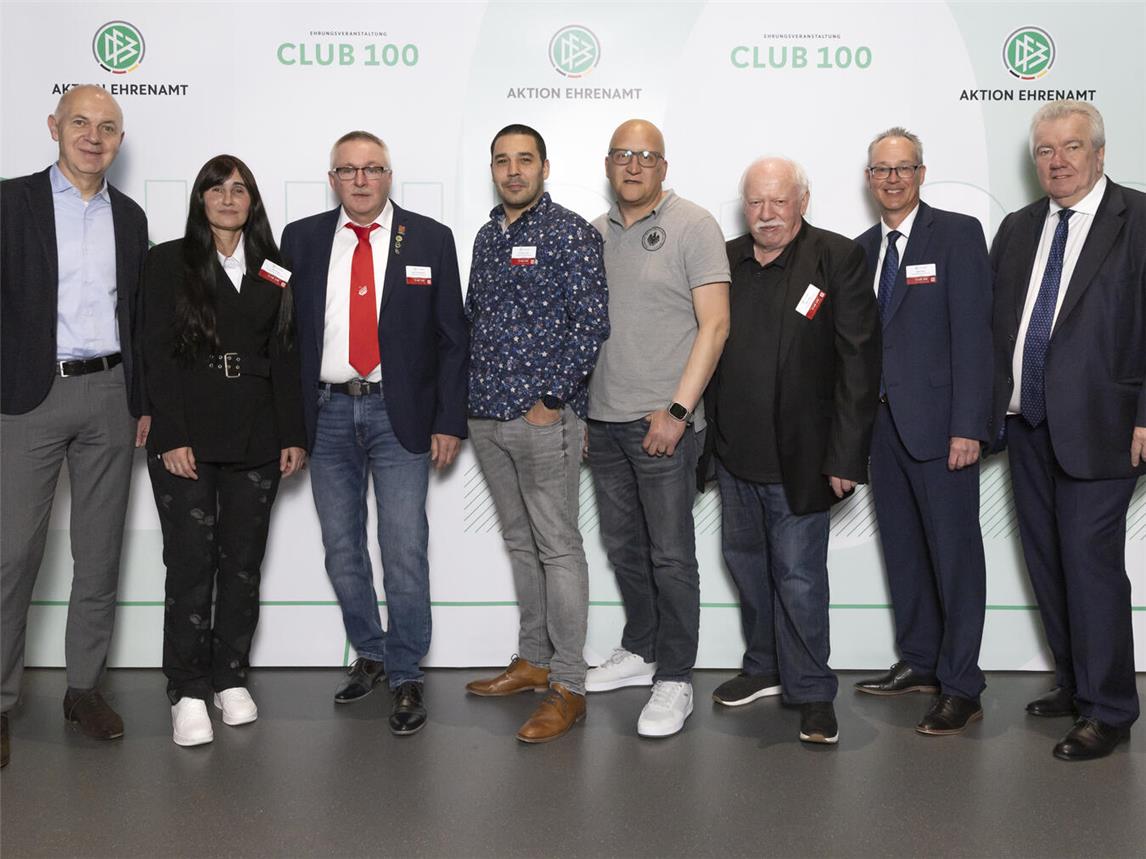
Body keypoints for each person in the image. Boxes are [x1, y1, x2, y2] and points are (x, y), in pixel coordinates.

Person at [280, 131, 468, 736]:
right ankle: (371, 651)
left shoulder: (431, 239)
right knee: (342, 547)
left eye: (373, 169)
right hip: (327, 413)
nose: (360, 181)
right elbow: (282, 340)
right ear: (332, 178)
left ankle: (407, 668)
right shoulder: (300, 240)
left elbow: (452, 340)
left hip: (400, 414)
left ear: (389, 175)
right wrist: (288, 424)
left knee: (404, 546)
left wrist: (448, 419)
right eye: (348, 170)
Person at [704, 157, 881, 744]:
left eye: (779, 201)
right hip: (733, 455)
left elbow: (859, 362)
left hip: (802, 459)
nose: (767, 213)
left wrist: (846, 456)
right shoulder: (723, 260)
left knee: (800, 577)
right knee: (747, 568)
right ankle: (764, 667)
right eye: (756, 202)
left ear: (802, 201)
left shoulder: (836, 258)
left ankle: (810, 690)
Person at [990, 100, 1145, 761]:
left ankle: (1109, 707)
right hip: (1026, 422)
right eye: (1045, 150)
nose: (1058, 160)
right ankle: (1077, 683)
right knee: (1048, 563)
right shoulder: (1019, 226)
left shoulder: (1138, 218)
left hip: (1107, 424)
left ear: (1100, 153)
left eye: (1072, 147)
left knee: (1091, 567)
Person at [1, 86, 150, 767]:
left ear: (120, 140)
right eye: (82, 122)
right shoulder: (10, 203)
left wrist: (141, 397)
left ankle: (83, 687)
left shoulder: (131, 215)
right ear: (54, 127)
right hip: (29, 396)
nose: (94, 136)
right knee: (10, 556)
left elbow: (138, 318)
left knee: (99, 554)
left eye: (108, 127)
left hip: (110, 396)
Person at [143, 154, 307, 747]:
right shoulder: (169, 260)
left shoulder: (276, 268)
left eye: (240, 189)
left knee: (242, 564)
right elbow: (154, 352)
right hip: (188, 435)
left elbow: (287, 354)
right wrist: (170, 436)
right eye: (217, 187)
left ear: (253, 200)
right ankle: (186, 688)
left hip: (258, 435)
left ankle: (229, 677)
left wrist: (293, 434)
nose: (229, 197)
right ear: (200, 197)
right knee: (190, 565)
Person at [584, 119, 730, 738]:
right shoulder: (593, 234)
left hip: (662, 424)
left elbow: (716, 325)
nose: (634, 165)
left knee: (671, 556)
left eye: (646, 155)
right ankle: (641, 650)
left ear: (664, 167)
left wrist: (677, 411)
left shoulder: (694, 225)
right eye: (623, 155)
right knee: (624, 548)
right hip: (604, 422)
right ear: (609, 164)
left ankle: (675, 677)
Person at [463, 124, 609, 743]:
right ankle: (533, 660)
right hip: (485, 417)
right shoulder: (486, 236)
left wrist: (552, 402)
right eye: (503, 160)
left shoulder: (571, 232)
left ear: (545, 167)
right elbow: (475, 318)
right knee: (521, 544)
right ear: (492, 168)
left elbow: (592, 324)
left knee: (558, 547)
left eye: (525, 160)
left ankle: (569, 684)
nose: (513, 170)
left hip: (540, 419)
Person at [852, 128, 993, 736]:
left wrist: (970, 425)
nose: (892, 179)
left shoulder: (957, 235)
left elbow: (975, 338)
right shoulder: (859, 250)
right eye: (881, 169)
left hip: (942, 430)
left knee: (956, 558)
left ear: (921, 173)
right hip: (881, 431)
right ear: (868, 177)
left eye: (902, 168)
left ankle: (962, 683)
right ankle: (919, 661)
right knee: (904, 553)